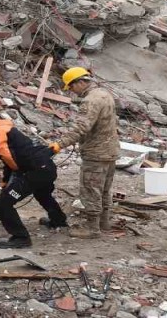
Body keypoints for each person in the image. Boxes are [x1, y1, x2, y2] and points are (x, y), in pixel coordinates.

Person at [0, 107, 68, 249]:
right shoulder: (2, 129)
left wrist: (17, 175)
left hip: (36, 171)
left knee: (2, 203)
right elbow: (8, 163)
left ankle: (20, 237)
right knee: (42, 194)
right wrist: (6, 181)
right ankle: (58, 220)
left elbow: (8, 157)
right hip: (46, 168)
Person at [57, 67, 119, 239]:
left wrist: (59, 145)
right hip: (110, 151)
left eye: (71, 86)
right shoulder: (104, 94)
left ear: (80, 82)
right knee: (104, 189)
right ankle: (104, 223)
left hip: (96, 153)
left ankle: (92, 229)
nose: (71, 91)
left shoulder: (90, 100)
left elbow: (81, 127)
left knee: (91, 190)